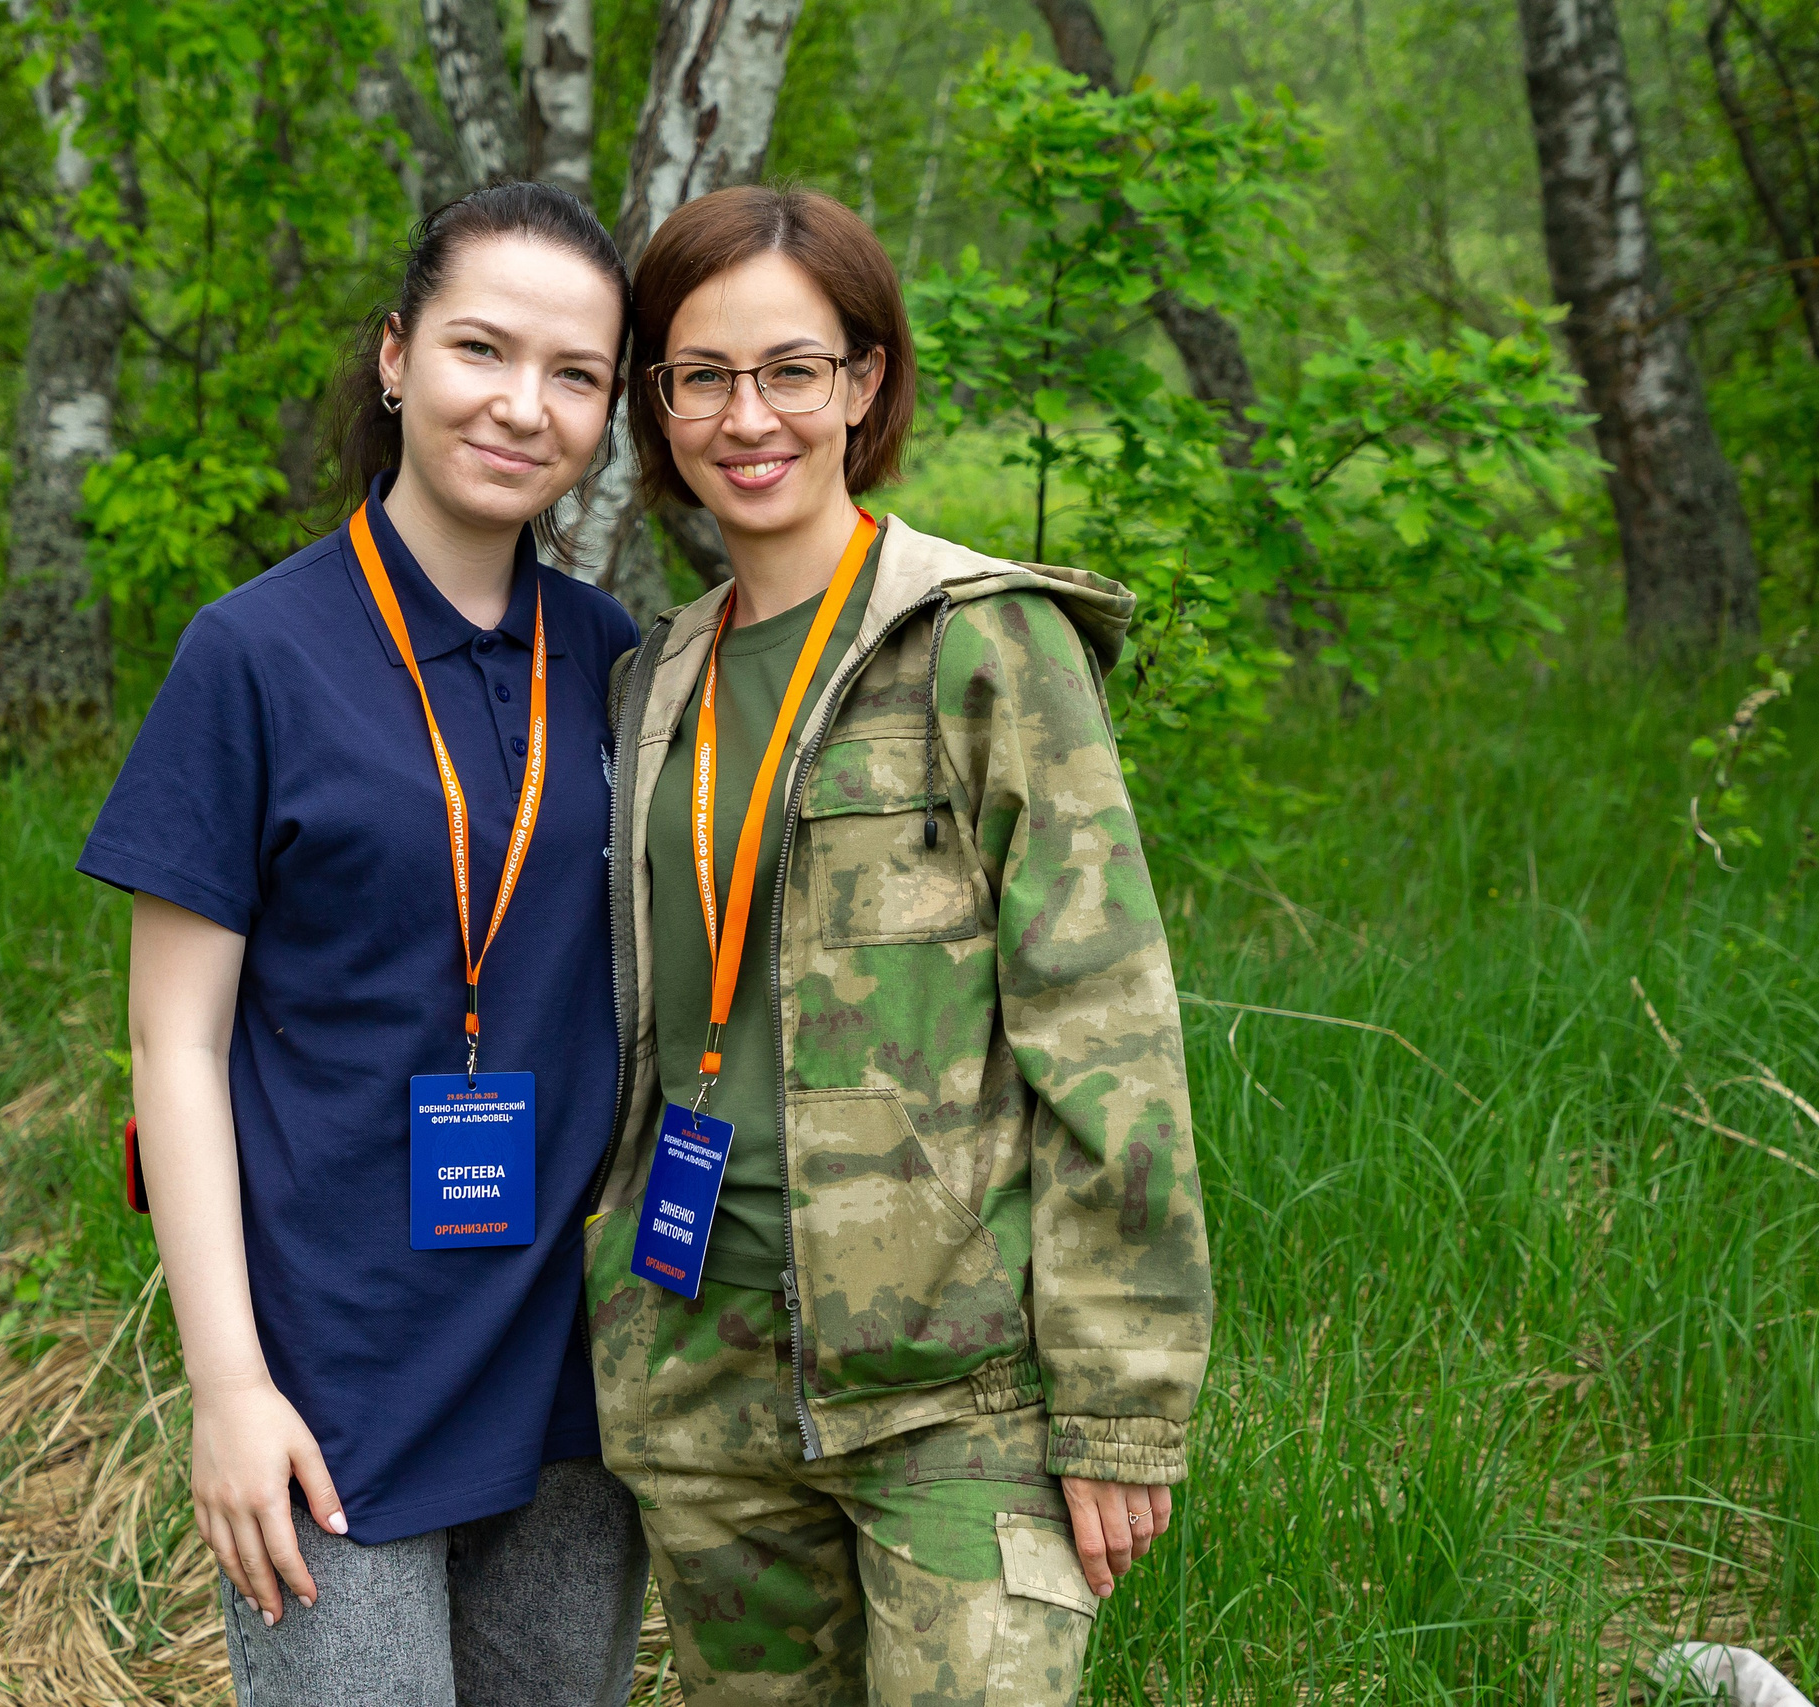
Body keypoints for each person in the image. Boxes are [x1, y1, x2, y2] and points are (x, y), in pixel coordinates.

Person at [582, 184, 1213, 1705]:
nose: (750, 417)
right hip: (704, 1372)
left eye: (793, 369)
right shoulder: (651, 677)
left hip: (964, 1396)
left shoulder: (986, 646)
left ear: (864, 383)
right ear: (656, 407)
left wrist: (1120, 1407)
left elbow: (1107, 1027)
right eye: (702, 377)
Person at [78, 182, 649, 1707]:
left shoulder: (623, 668)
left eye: (576, 375)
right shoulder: (252, 657)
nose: (523, 406)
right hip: (333, 1378)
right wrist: (228, 1389)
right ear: (395, 357)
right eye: (481, 348)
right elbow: (176, 1047)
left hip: (573, 1379)